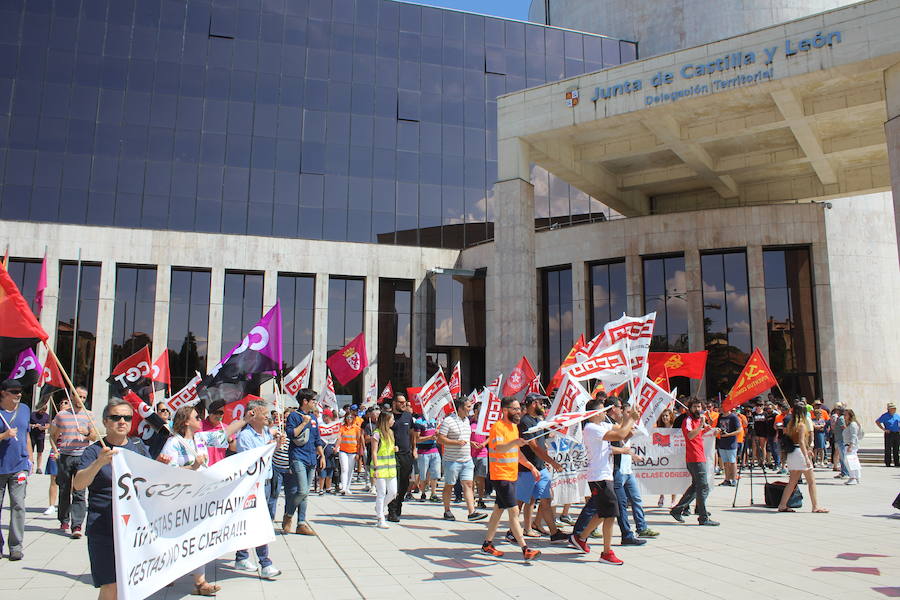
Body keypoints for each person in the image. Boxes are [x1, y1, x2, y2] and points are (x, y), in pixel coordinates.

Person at [158, 404, 245, 595]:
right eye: (197, 417)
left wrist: (245, 419)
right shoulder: (174, 443)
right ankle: (166, 572)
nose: (200, 419)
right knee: (177, 539)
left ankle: (200, 583)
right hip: (180, 500)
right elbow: (166, 472)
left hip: (201, 498)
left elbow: (224, 434)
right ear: (186, 421)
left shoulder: (200, 438)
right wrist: (193, 468)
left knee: (200, 538)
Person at [73, 399, 149, 599]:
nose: (122, 421)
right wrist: (98, 463)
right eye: (116, 417)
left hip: (133, 529)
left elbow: (153, 480)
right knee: (111, 585)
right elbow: (78, 484)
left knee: (132, 583)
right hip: (104, 528)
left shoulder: (139, 447)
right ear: (106, 422)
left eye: (127, 417)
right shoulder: (94, 450)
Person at [568, 397, 640, 566]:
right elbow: (621, 433)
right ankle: (606, 553)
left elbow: (622, 431)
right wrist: (631, 420)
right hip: (599, 476)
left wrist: (630, 419)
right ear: (594, 413)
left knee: (604, 512)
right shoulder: (591, 428)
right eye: (601, 410)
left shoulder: (602, 425)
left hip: (606, 475)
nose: (604, 413)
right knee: (610, 514)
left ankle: (581, 537)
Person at [479, 397, 541, 562]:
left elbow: (517, 453)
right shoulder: (497, 427)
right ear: (505, 410)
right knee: (514, 511)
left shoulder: (513, 427)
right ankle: (525, 548)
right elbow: (498, 448)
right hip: (500, 476)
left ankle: (487, 544)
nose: (518, 411)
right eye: (514, 409)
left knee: (498, 510)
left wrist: (531, 467)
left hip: (511, 475)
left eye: (519, 408)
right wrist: (514, 442)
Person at [233, 398, 283, 579]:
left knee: (254, 520)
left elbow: (270, 455)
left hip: (268, 482)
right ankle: (265, 562)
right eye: (264, 414)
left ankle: (241, 556)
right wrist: (270, 446)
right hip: (253, 485)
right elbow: (251, 459)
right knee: (259, 522)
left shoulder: (266, 433)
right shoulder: (245, 436)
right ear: (253, 416)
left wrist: (276, 444)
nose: (267, 417)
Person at [514, 394, 565, 541]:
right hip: (527, 469)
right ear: (534, 403)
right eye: (541, 402)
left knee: (546, 499)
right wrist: (553, 462)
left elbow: (543, 443)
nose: (543, 405)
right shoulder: (524, 422)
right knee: (521, 502)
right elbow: (535, 447)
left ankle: (554, 533)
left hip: (540, 467)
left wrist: (547, 459)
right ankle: (512, 531)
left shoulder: (538, 421)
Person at [48, 385, 97, 538]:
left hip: (83, 456)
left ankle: (77, 525)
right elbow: (52, 435)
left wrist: (87, 433)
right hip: (66, 457)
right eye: (79, 396)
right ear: (72, 396)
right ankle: (64, 520)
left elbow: (95, 437)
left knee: (80, 491)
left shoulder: (89, 415)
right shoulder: (62, 415)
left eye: (84, 397)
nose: (81, 399)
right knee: (64, 490)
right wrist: (55, 450)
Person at [436, 396, 486, 522]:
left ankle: (472, 512)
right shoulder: (448, 421)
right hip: (452, 460)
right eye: (468, 407)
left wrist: (470, 442)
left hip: (467, 459)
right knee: (449, 485)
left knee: (469, 484)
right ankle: (447, 510)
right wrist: (456, 442)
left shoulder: (466, 421)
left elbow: (464, 437)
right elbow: (440, 438)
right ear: (460, 408)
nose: (470, 409)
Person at [670, 399, 718, 526]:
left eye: (699, 407)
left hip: (699, 456)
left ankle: (678, 509)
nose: (698, 409)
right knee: (703, 487)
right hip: (694, 457)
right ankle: (703, 517)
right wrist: (701, 426)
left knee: (697, 487)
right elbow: (690, 435)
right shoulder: (688, 420)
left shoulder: (697, 420)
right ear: (689, 408)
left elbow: (699, 434)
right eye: (695, 407)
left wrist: (710, 430)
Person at [284, 389, 325, 535]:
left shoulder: (313, 418)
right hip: (297, 457)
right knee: (302, 490)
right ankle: (288, 515)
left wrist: (322, 454)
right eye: (313, 400)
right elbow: (290, 434)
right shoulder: (294, 416)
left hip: (311, 458)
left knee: (306, 493)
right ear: (305, 401)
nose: (315, 403)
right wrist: (303, 424)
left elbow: (317, 438)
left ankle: (301, 523)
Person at [0, 379, 32, 561]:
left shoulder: (25, 409)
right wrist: (4, 435)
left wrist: (30, 458)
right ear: (3, 393)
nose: (18, 394)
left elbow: (26, 434)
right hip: (1, 466)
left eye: (20, 390)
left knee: (18, 505)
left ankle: (16, 546)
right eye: (14, 391)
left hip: (19, 466)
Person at [776, 401, 828, 513]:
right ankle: (815, 506)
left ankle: (782, 504)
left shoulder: (790, 424)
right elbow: (801, 442)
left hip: (792, 453)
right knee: (811, 481)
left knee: (792, 481)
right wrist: (806, 456)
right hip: (800, 453)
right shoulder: (801, 425)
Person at [386, 394, 416, 523]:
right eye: (401, 402)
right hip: (393, 456)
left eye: (405, 402)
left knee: (404, 483)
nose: (404, 404)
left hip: (406, 454)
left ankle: (399, 504)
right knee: (394, 484)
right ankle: (392, 511)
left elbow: (412, 433)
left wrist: (414, 448)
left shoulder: (408, 416)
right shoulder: (388, 417)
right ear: (394, 403)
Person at [370, 411, 397, 528]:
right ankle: (380, 518)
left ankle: (379, 507)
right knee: (381, 493)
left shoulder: (391, 432)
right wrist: (376, 468)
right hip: (380, 468)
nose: (394, 421)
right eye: (392, 419)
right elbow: (374, 452)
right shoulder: (376, 434)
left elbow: (389, 449)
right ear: (386, 421)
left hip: (391, 468)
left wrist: (395, 448)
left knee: (393, 492)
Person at [413, 414, 441, 502]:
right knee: (423, 474)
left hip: (434, 449)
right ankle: (423, 493)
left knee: (435, 473)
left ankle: (433, 493)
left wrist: (437, 434)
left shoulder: (434, 420)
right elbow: (417, 439)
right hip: (423, 451)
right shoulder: (419, 421)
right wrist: (429, 437)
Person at [337, 407, 364, 495]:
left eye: (351, 417)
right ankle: (344, 487)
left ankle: (347, 487)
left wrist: (358, 453)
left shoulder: (356, 428)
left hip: (353, 451)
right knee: (344, 468)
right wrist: (336, 446)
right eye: (348, 417)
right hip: (343, 451)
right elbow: (339, 438)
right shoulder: (342, 427)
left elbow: (359, 440)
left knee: (350, 470)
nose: (349, 419)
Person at [200, 399, 233, 466]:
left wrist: (230, 440)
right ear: (209, 413)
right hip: (203, 466)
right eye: (215, 412)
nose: (218, 415)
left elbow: (234, 448)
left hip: (220, 466)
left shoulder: (226, 428)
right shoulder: (199, 426)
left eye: (221, 413)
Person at [655, 408, 677, 508]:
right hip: (662, 456)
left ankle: (673, 500)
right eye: (663, 416)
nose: (665, 417)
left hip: (673, 456)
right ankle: (661, 496)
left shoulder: (676, 428)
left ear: (671, 416)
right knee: (662, 478)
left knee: (673, 479)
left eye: (666, 415)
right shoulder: (658, 429)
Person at [715, 405, 741, 486]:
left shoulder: (733, 417)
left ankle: (734, 479)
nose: (721, 408)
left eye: (722, 407)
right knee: (725, 462)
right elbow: (718, 427)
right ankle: (727, 479)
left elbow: (739, 430)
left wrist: (729, 434)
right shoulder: (720, 417)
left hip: (731, 442)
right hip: (722, 442)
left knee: (732, 461)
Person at [469, 413, 490, 510]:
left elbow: (490, 436)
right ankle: (471, 499)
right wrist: (470, 443)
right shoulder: (469, 423)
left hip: (483, 454)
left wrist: (484, 444)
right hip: (471, 455)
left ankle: (480, 499)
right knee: (471, 479)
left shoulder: (485, 425)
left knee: (481, 479)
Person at [317, 408, 339, 494]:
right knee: (322, 469)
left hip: (331, 448)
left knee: (330, 470)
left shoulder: (334, 426)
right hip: (322, 448)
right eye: (322, 416)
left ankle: (328, 488)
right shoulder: (321, 426)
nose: (323, 418)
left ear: (328, 417)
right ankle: (321, 488)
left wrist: (336, 447)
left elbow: (339, 437)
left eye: (324, 416)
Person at [875, 402, 900, 467]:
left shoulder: (897, 415)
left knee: (896, 448)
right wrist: (884, 429)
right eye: (892, 408)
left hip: (897, 433)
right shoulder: (885, 416)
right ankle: (888, 463)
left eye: (894, 408)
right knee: (888, 448)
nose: (894, 409)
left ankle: (897, 462)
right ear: (889, 409)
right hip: (889, 433)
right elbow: (877, 421)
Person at [842, 408, 863, 485]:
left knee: (849, 461)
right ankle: (856, 477)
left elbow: (854, 435)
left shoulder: (853, 424)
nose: (844, 416)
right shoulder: (849, 424)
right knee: (853, 460)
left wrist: (851, 445)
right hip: (848, 445)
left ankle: (853, 477)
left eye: (846, 414)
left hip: (850, 445)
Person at [29, 401, 50, 473]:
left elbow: (48, 425)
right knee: (30, 451)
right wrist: (34, 426)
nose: (42, 412)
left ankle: (38, 468)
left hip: (41, 436)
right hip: (33, 435)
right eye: (41, 410)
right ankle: (30, 467)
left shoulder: (46, 416)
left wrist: (43, 427)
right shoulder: (32, 415)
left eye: (44, 411)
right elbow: (27, 424)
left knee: (40, 452)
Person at [831, 405, 849, 478]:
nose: (836, 411)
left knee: (843, 456)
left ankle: (846, 472)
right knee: (841, 457)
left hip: (841, 440)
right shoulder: (840, 418)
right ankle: (843, 472)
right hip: (839, 439)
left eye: (837, 410)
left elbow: (844, 427)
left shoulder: (841, 418)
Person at [811, 401, 828, 467]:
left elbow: (824, 424)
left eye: (819, 405)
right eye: (817, 405)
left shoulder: (823, 415)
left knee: (821, 448)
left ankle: (822, 461)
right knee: (815, 449)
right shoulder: (812, 416)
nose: (818, 406)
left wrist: (820, 426)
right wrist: (820, 426)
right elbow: (814, 426)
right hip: (815, 434)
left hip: (821, 434)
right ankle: (814, 461)